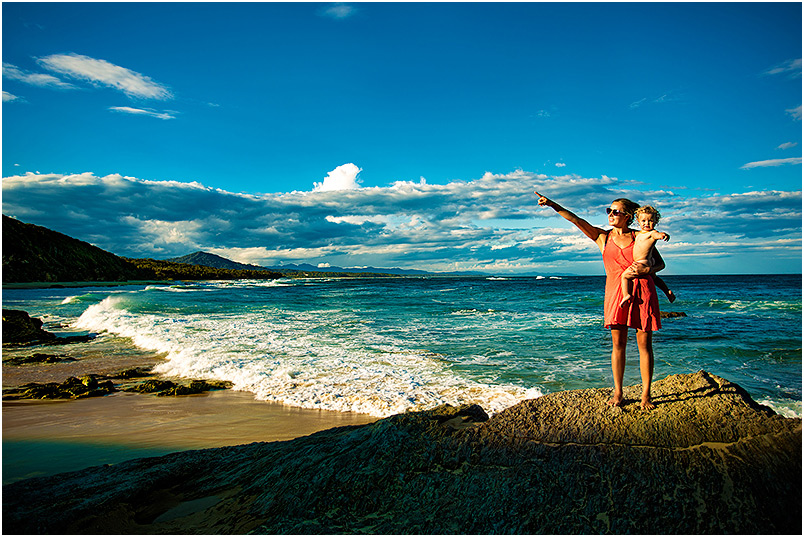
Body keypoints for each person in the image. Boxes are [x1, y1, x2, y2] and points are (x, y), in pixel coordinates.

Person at [535, 191, 663, 409]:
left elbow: (660, 264)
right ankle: (618, 393)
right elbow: (576, 220)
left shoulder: (641, 236)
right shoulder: (603, 237)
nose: (610, 214)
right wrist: (551, 204)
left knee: (644, 345)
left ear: (628, 216)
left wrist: (648, 269)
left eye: (615, 211)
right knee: (618, 344)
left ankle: (646, 396)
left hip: (643, 291)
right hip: (616, 294)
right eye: (608, 210)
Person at [619, 205, 675, 308]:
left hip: (642, 262)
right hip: (648, 261)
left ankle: (626, 294)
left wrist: (662, 235)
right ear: (638, 221)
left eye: (650, 221)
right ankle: (667, 291)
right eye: (643, 221)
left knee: (625, 276)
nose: (647, 223)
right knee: (655, 278)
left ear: (656, 221)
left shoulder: (651, 233)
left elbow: (657, 235)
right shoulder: (639, 233)